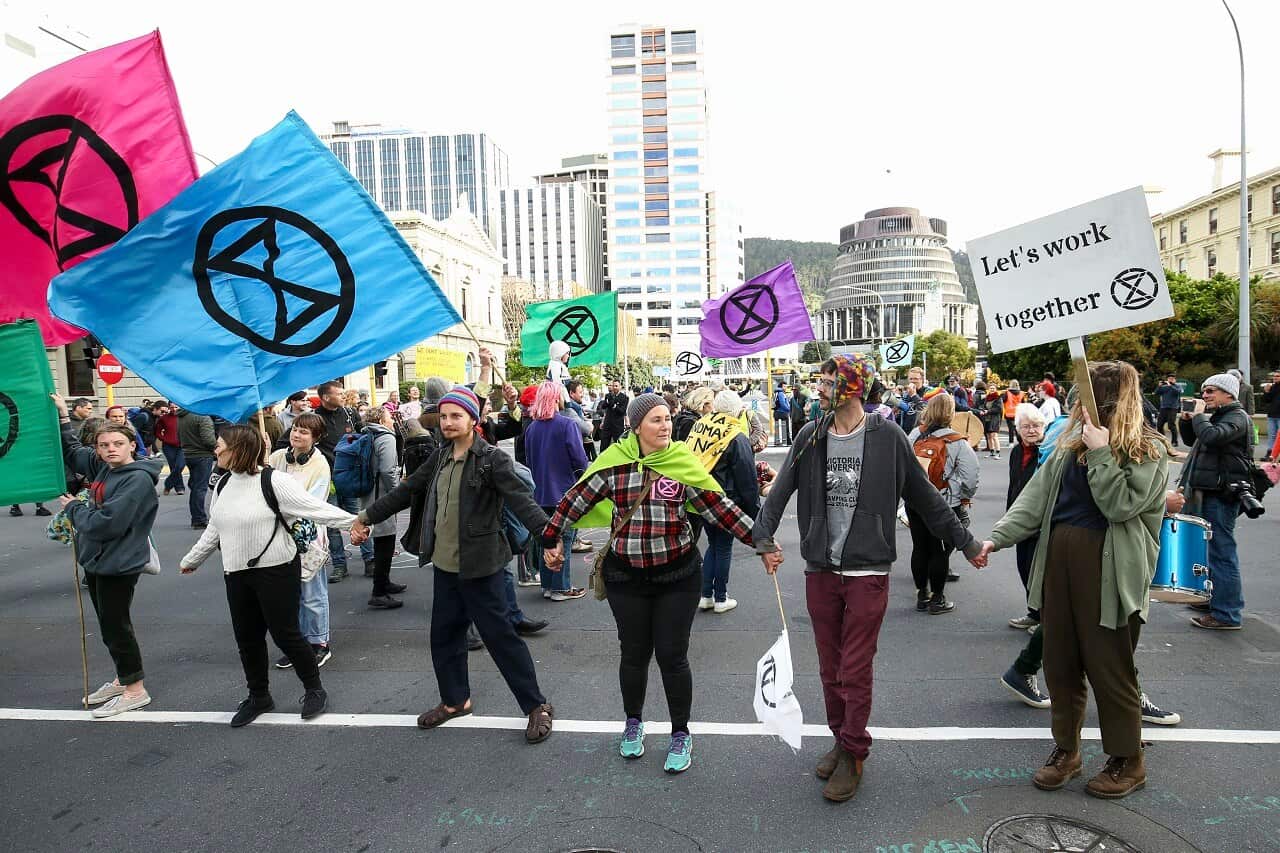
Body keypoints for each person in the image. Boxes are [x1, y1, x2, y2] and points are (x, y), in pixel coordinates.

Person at [752, 355, 985, 802]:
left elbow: (925, 498)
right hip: (820, 569)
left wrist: (966, 543)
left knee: (853, 668)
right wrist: (764, 539)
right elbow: (779, 492)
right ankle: (841, 739)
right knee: (828, 667)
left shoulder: (888, 437)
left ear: (854, 388)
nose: (819, 388)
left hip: (867, 570)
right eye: (819, 380)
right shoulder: (810, 434)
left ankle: (855, 753)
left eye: (827, 381)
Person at [976, 360, 1169, 799]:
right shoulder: (1068, 448)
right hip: (1059, 567)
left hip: (1109, 576)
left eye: (1091, 398)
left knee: (1110, 669)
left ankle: (1128, 759)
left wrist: (1101, 451)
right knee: (1060, 665)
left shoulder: (1148, 450)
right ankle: (1066, 749)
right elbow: (1036, 498)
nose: (1082, 407)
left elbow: (1119, 506)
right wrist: (998, 538)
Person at [542, 393, 756, 773]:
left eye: (667, 419)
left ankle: (680, 733)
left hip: (678, 575)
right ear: (635, 425)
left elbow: (718, 507)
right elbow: (574, 501)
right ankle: (633, 723)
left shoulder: (680, 462)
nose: (665, 426)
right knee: (634, 653)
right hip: (626, 577)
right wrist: (551, 537)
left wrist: (762, 541)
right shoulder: (614, 465)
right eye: (656, 420)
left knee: (673, 656)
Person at [352, 387, 557, 743]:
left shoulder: (493, 460)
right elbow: (406, 490)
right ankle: (455, 701)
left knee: (500, 639)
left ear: (473, 421)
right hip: (445, 566)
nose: (448, 422)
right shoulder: (440, 456)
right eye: (444, 416)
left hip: (482, 567)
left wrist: (549, 539)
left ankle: (536, 706)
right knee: (444, 637)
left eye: (456, 416)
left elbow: (523, 503)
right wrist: (368, 516)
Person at [180, 425, 359, 726]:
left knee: (286, 634)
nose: (216, 450)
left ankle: (314, 689)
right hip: (236, 573)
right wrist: (192, 559)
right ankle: (259, 696)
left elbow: (316, 508)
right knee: (247, 639)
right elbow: (215, 528)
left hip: (276, 571)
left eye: (220, 445)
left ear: (239, 449)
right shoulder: (223, 485)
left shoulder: (274, 481)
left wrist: (356, 521)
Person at [52, 393, 163, 717]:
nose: (110, 449)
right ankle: (122, 677)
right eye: (104, 445)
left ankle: (135, 690)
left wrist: (73, 508)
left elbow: (107, 525)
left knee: (116, 626)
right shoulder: (104, 467)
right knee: (108, 624)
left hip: (119, 563)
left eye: (117, 443)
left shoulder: (137, 480)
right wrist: (62, 415)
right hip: (97, 561)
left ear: (131, 445)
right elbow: (73, 452)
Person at [1178, 373, 1251, 631]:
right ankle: (1214, 601)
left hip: (1222, 493)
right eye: (1204, 390)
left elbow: (1212, 437)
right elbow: (1193, 440)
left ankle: (1227, 613)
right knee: (1211, 551)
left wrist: (1198, 417)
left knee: (1222, 553)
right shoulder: (1221, 415)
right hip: (1210, 489)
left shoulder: (1237, 417)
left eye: (1211, 391)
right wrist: (1188, 421)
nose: (1205, 395)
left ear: (1228, 394)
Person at [267, 413, 336, 668]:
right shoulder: (276, 458)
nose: (297, 434)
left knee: (312, 593)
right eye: (295, 429)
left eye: (304, 432)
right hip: (279, 536)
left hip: (308, 539)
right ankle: (298, 644)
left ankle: (319, 644)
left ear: (315, 438)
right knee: (290, 593)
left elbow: (309, 505)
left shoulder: (320, 465)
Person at [906, 392, 979, 615]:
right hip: (944, 502)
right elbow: (970, 476)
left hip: (916, 500)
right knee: (939, 550)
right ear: (951, 413)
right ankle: (938, 599)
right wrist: (963, 496)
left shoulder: (915, 435)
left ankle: (922, 594)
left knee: (919, 547)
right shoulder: (956, 441)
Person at [523, 381, 589, 601]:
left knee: (547, 539)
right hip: (563, 490)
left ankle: (548, 585)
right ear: (557, 398)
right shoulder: (567, 425)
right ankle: (560, 588)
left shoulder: (532, 428)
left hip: (539, 492)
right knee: (565, 540)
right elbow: (580, 459)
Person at [698, 390, 760, 614]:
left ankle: (706, 595)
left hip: (701, 497)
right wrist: (755, 513)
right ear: (737, 409)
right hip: (725, 500)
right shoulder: (736, 435)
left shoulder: (703, 425)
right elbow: (748, 480)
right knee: (723, 547)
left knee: (712, 545)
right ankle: (721, 597)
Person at [313, 381, 372, 582]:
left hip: (350, 476)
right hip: (327, 479)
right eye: (339, 393)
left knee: (359, 517)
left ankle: (370, 559)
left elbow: (363, 437)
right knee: (332, 523)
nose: (343, 396)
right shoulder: (313, 418)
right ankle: (339, 564)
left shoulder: (349, 414)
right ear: (326, 397)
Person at [1005, 404, 1047, 632]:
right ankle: (1034, 613)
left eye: (1037, 426)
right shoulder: (1017, 451)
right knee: (1024, 567)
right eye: (1026, 426)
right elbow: (1014, 485)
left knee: (1039, 571)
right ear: (1018, 429)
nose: (1032, 430)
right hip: (1020, 519)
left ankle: (1045, 618)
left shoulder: (1047, 452)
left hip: (1040, 521)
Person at [358, 406, 405, 607]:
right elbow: (387, 470)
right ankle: (379, 592)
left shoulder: (367, 434)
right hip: (383, 497)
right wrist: (398, 493)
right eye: (389, 417)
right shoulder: (386, 437)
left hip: (370, 494)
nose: (392, 421)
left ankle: (384, 583)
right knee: (385, 543)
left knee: (382, 542)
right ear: (381, 419)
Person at [178, 406, 216, 529]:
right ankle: (199, 519)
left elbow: (178, 436)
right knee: (200, 488)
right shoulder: (203, 418)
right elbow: (209, 440)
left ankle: (196, 517)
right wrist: (217, 448)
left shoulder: (182, 417)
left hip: (188, 454)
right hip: (203, 455)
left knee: (196, 487)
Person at [154, 402, 185, 497]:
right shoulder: (164, 418)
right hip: (168, 446)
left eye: (176, 407)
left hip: (183, 446)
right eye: (172, 407)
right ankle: (179, 487)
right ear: (168, 408)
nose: (174, 409)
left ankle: (168, 484)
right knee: (173, 467)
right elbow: (157, 431)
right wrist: (164, 439)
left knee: (179, 466)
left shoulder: (184, 417)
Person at [599, 380, 629, 450]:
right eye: (613, 386)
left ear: (620, 387)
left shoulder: (624, 397)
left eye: (616, 386)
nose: (614, 387)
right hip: (607, 424)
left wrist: (614, 405)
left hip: (618, 426)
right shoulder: (608, 395)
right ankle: (602, 459)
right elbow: (603, 407)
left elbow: (622, 411)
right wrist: (606, 402)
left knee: (618, 445)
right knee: (604, 445)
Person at [1155, 374, 1182, 447]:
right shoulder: (1164, 387)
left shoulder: (1177, 386)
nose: (1171, 380)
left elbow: (1178, 392)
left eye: (1172, 379)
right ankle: (1163, 440)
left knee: (1171, 425)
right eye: (1169, 378)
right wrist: (1159, 386)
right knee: (1159, 425)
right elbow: (1156, 393)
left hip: (1173, 408)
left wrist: (1170, 386)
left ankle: (1174, 441)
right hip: (1163, 408)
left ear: (1175, 380)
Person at [982, 386, 1004, 458]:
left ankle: (998, 452)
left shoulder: (998, 398)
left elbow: (999, 409)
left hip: (995, 419)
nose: (991, 389)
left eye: (993, 388)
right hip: (987, 419)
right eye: (990, 388)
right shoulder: (987, 398)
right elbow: (984, 407)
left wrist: (988, 411)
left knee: (994, 435)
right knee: (988, 436)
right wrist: (982, 410)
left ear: (996, 390)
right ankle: (991, 452)